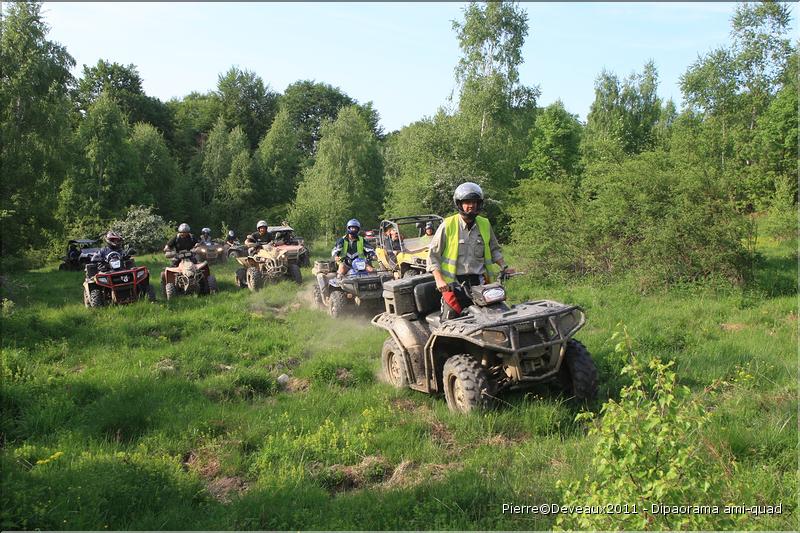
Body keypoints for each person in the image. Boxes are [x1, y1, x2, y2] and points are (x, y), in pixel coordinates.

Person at [427, 182, 513, 318]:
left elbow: (494, 249)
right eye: (467, 202)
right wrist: (439, 280)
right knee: (451, 322)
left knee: (496, 316)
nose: (471, 205)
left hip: (480, 283)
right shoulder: (448, 225)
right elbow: (433, 256)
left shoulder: (484, 224)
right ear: (459, 204)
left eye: (474, 202)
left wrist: (504, 266)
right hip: (453, 285)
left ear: (479, 204)